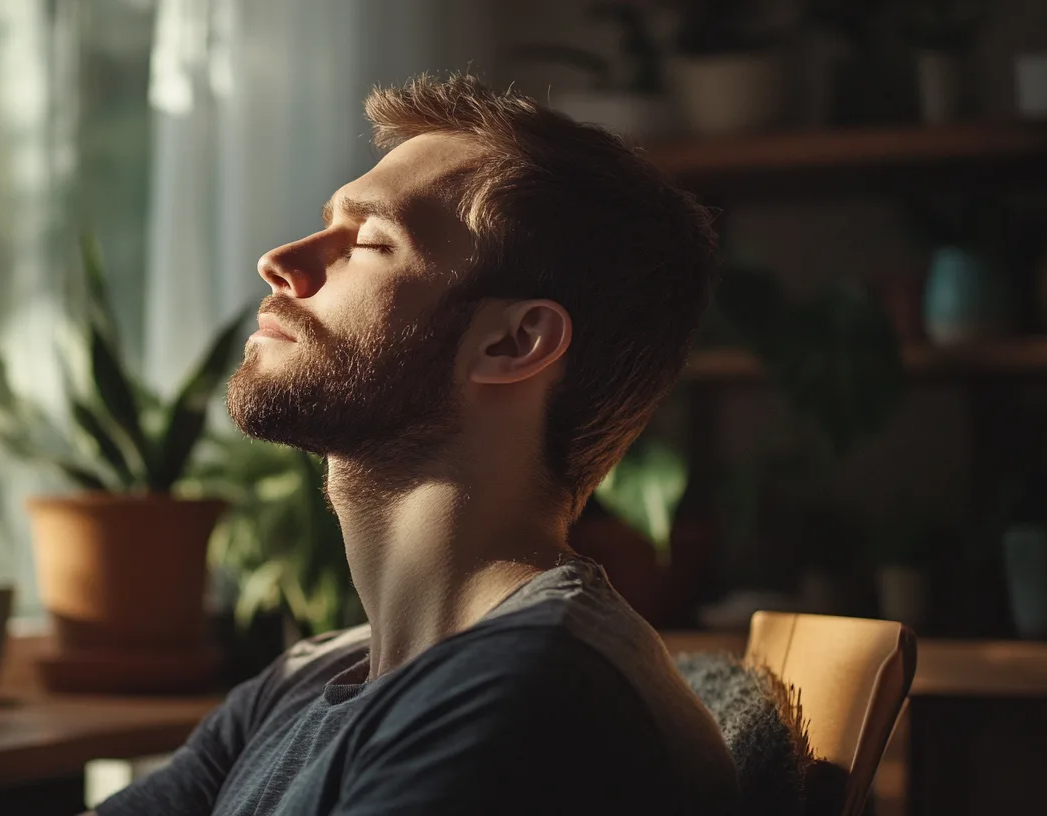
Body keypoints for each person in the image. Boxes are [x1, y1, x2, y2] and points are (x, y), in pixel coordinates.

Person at [96, 73, 738, 816]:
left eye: (369, 240)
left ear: (513, 341)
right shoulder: (309, 680)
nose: (282, 260)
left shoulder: (525, 695)